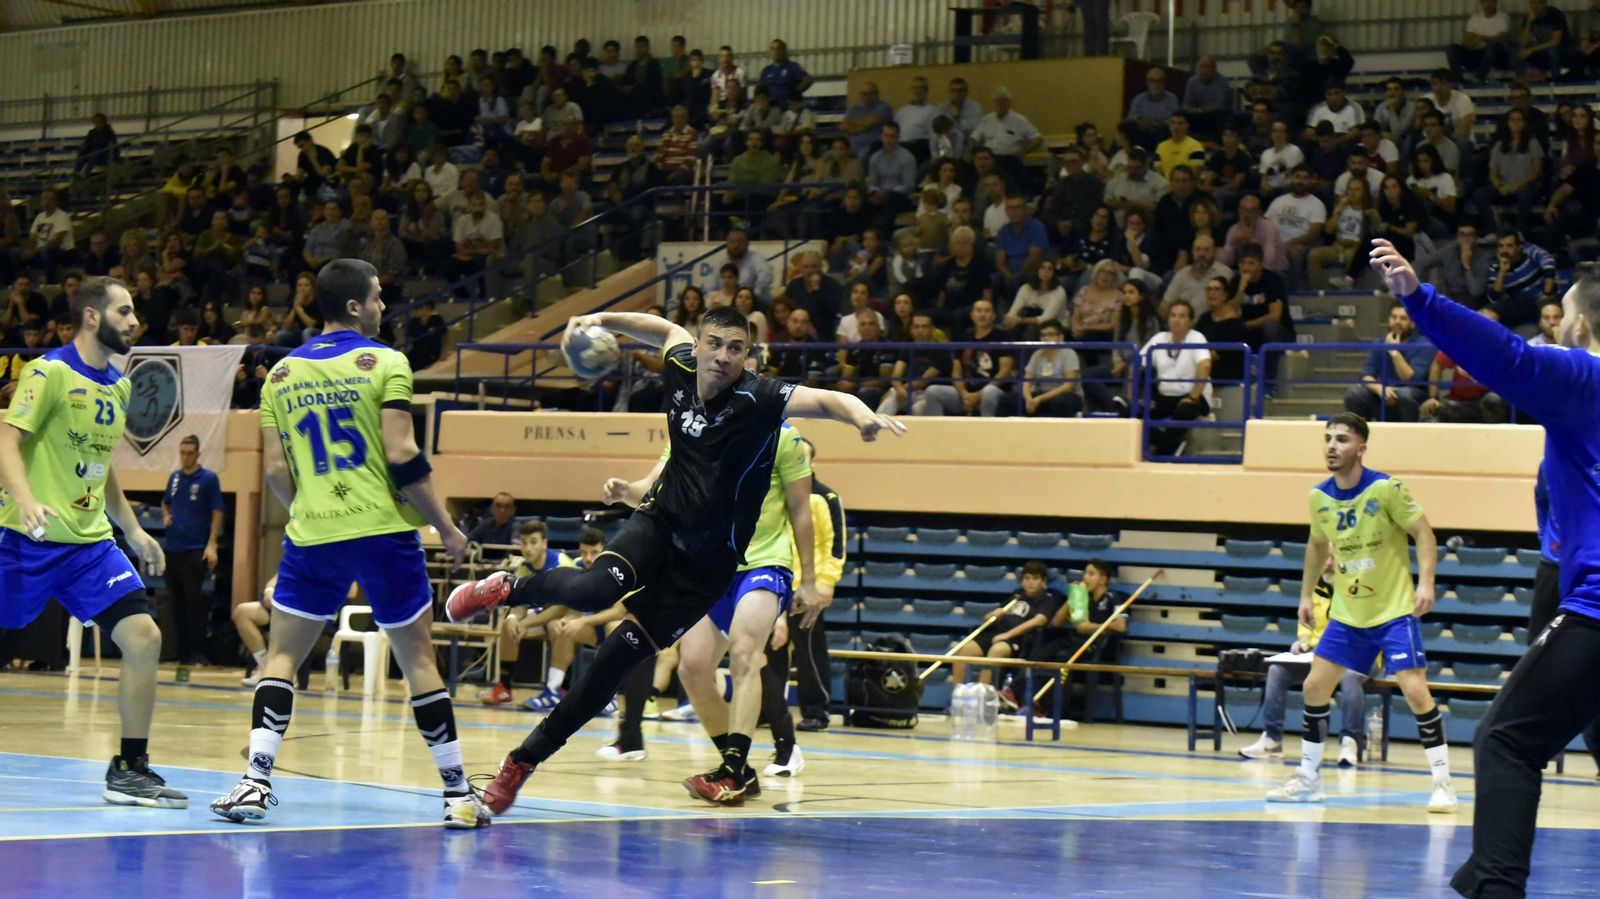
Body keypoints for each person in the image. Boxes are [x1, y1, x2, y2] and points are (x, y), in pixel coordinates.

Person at [446, 305, 905, 813]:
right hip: (658, 525)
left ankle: (520, 764)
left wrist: (861, 414)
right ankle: (508, 588)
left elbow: (825, 399)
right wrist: (599, 318)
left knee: (609, 667)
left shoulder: (762, 399)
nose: (723, 357)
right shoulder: (683, 364)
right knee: (594, 589)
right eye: (715, 344)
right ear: (700, 344)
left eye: (736, 348)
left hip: (705, 571)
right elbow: (661, 328)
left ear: (748, 356)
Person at [208, 259, 490, 830]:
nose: (385, 307)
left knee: (283, 656)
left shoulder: (280, 375)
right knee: (417, 660)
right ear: (356, 308)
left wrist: (312, 511)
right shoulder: (387, 362)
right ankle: (457, 794)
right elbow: (401, 453)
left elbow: (274, 472)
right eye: (379, 298)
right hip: (384, 533)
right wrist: (446, 526)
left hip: (314, 536)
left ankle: (255, 781)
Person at [0, 276, 183, 809]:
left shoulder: (119, 386)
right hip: (24, 540)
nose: (134, 321)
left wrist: (132, 528)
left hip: (89, 547)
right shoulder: (48, 372)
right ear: (91, 317)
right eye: (124, 311)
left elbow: (101, 471)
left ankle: (129, 767)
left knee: (144, 639)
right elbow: (7, 442)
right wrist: (28, 499)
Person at [1265, 410, 1455, 812]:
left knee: (1416, 690)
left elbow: (1424, 532)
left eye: (1342, 439)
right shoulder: (1319, 497)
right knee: (1315, 687)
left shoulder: (1386, 489)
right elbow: (1318, 545)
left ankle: (1443, 784)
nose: (1332, 446)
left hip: (1393, 610)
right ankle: (1309, 779)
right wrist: (1304, 596)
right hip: (1348, 614)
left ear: (1361, 448)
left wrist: (1426, 583)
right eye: (1328, 438)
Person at [662, 417, 816, 801]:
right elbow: (657, 490)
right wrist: (623, 490)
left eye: (738, 352)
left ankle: (732, 771)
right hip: (713, 568)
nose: (727, 359)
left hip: (765, 562)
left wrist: (810, 582)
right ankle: (742, 770)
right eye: (720, 350)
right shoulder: (693, 429)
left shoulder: (782, 435)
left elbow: (800, 509)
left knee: (745, 654)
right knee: (692, 668)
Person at [1238, 556, 1370, 765]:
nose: (1327, 563)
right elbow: (1306, 625)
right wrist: (1304, 640)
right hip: (1319, 655)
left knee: (1350, 677)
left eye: (1333, 557)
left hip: (1358, 654)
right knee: (1277, 670)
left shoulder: (1359, 590)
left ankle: (1350, 741)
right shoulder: (1315, 590)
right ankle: (1272, 739)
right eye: (1324, 557)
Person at [765, 437, 844, 738]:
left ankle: (816, 710)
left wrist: (825, 583)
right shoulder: (776, 492)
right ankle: (768, 707)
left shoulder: (825, 497)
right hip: (774, 582)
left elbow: (834, 544)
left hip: (805, 588)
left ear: (812, 462)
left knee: (810, 651)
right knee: (769, 650)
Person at [476, 519, 581, 708]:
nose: (528, 547)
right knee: (508, 625)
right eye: (524, 542)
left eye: (533, 542)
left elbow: (560, 608)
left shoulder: (561, 564)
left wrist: (526, 624)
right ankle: (504, 688)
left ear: (544, 543)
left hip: (569, 615)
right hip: (542, 614)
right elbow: (521, 602)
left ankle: (561, 687)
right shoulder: (524, 566)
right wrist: (515, 618)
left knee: (558, 626)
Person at [160, 434, 223, 666]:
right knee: (175, 603)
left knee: (193, 602)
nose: (185, 457)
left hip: (195, 549)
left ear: (197, 454)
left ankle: (198, 652)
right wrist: (166, 516)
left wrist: (212, 543)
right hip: (172, 548)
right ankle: (181, 652)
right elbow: (165, 501)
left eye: (189, 453)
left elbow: (217, 511)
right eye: (182, 453)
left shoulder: (208, 479)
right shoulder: (175, 478)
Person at [950, 560, 1060, 687]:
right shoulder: (1016, 596)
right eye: (1027, 578)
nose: (1030, 583)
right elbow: (987, 619)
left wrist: (1008, 635)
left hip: (1017, 639)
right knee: (964, 650)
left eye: (1035, 579)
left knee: (997, 651)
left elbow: (1040, 620)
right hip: (996, 632)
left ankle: (980, 696)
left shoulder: (1047, 599)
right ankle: (958, 695)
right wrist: (992, 615)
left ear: (1043, 581)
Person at [1344, 301, 1436, 423]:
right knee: (1354, 393)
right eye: (1394, 317)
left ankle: (1411, 433)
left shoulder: (1425, 345)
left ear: (1413, 323)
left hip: (1412, 396)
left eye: (1403, 318)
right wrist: (1379, 388)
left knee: (1405, 394)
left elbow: (1412, 380)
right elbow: (1366, 375)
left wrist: (1394, 351)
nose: (1397, 321)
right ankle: (1358, 432)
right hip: (1384, 393)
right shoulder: (1380, 342)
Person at [1141, 301, 1212, 455]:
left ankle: (1161, 453)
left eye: (1182, 316)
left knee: (1184, 410)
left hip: (1194, 396)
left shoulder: (1196, 337)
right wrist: (1135, 397)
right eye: (1173, 315)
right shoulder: (1160, 337)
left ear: (1190, 321)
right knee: (1133, 412)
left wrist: (1193, 397)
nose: (1176, 319)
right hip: (1165, 397)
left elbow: (1205, 365)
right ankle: (1170, 445)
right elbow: (1136, 365)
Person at [1021, 320, 1082, 418]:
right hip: (1042, 395)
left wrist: (1041, 398)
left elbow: (1069, 386)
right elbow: (1026, 381)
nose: (1045, 338)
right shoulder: (1037, 354)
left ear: (1061, 337)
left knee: (1060, 401)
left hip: (1067, 396)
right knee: (1009, 399)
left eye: (1050, 334)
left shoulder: (1068, 353)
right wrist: (1028, 399)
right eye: (1042, 335)